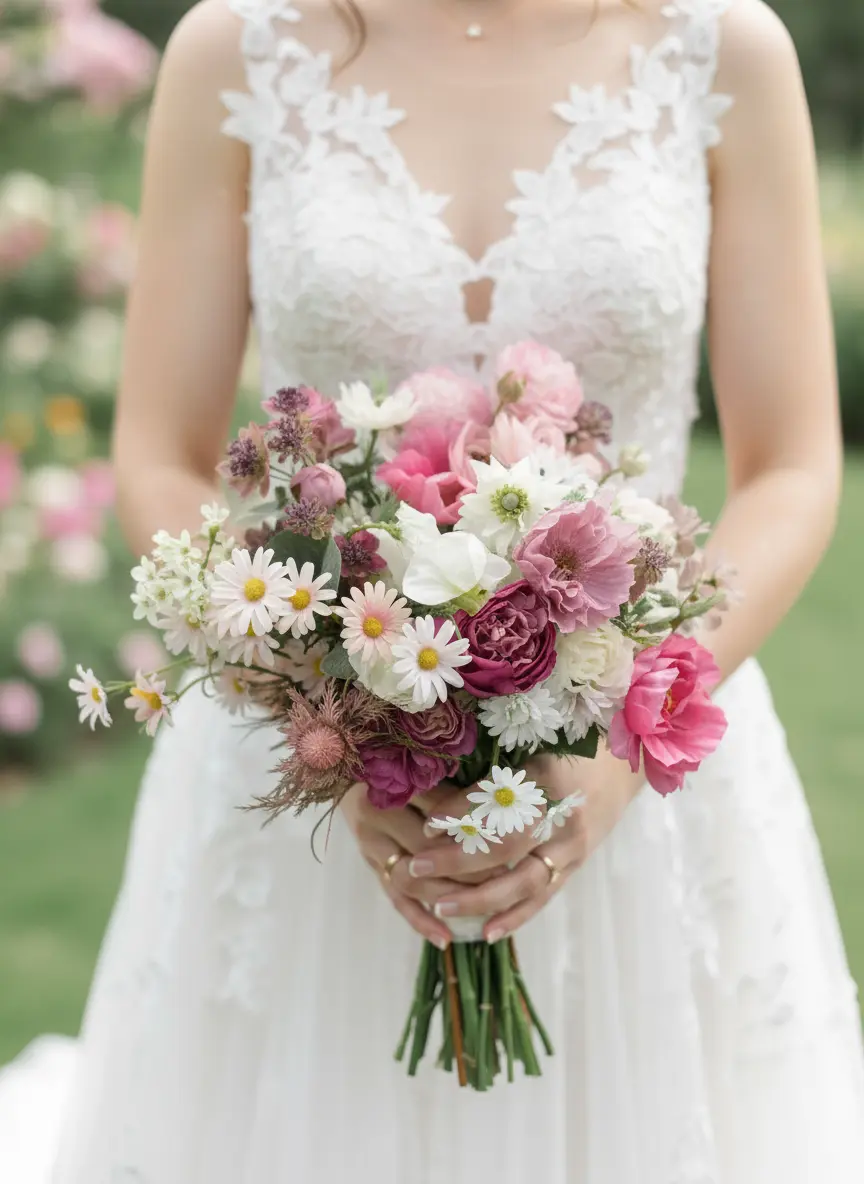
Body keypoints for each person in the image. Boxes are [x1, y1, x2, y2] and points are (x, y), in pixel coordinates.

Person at [2, 0, 864, 1179]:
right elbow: (160, 446)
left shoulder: (720, 49)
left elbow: (793, 466)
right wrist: (331, 722)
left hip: (641, 767)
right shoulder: (238, 47)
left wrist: (619, 752)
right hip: (306, 761)